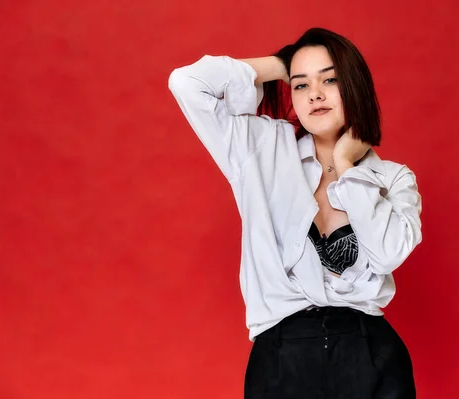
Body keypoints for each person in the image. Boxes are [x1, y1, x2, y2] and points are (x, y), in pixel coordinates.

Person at [168, 27, 422, 399]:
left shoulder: (392, 179)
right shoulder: (261, 149)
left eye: (331, 79)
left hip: (371, 358)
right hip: (281, 359)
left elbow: (387, 254)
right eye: (301, 85)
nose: (315, 94)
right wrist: (282, 63)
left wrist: (347, 165)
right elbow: (186, 82)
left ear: (355, 86)